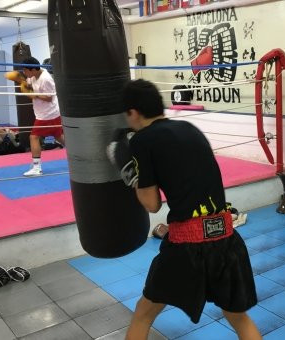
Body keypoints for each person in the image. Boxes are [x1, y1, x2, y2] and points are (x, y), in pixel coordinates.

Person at [108, 79, 261, 340]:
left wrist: (132, 176)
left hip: (187, 246)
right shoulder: (190, 128)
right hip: (226, 238)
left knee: (144, 312)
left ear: (133, 112)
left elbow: (152, 203)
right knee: (238, 317)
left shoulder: (142, 141)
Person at [10, 57, 65, 176]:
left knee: (33, 137)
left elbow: (49, 98)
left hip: (48, 114)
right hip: (46, 113)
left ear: (33, 69)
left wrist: (34, 95)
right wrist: (21, 81)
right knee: (59, 136)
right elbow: (29, 87)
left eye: (25, 70)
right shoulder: (33, 76)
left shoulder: (46, 79)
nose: (24, 73)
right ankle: (81, 153)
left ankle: (36, 167)